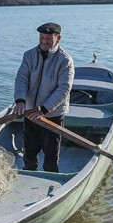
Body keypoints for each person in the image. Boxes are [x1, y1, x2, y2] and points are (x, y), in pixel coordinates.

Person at [12, 22, 75, 172]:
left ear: (58, 38)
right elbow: (21, 78)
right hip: (30, 113)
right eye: (41, 37)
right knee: (29, 151)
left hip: (52, 115)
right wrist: (20, 101)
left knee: (51, 155)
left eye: (48, 38)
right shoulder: (29, 55)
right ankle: (29, 175)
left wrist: (44, 109)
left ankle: (51, 178)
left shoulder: (65, 60)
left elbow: (64, 89)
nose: (44, 41)